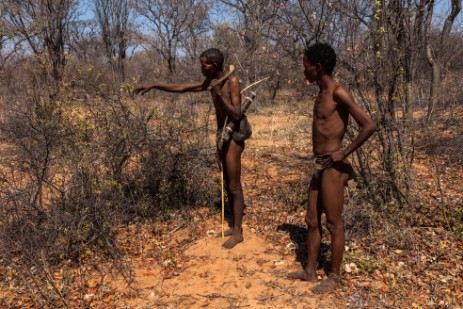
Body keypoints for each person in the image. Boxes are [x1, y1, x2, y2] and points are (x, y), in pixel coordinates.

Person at [134, 48, 249, 249]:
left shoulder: (231, 82)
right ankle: (234, 224)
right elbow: (183, 87)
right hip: (221, 134)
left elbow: (237, 114)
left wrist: (219, 94)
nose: (201, 68)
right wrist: (154, 85)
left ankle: (238, 232)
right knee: (225, 181)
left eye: (203, 65)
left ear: (213, 66)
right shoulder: (213, 82)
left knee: (233, 184)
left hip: (234, 136)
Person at [287, 43, 376, 293]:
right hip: (319, 164)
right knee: (311, 220)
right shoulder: (320, 93)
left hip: (333, 167)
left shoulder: (339, 93)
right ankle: (309, 271)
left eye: (306, 67)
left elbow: (368, 125)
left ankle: (334, 277)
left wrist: (343, 152)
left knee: (334, 224)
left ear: (318, 67)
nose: (304, 72)